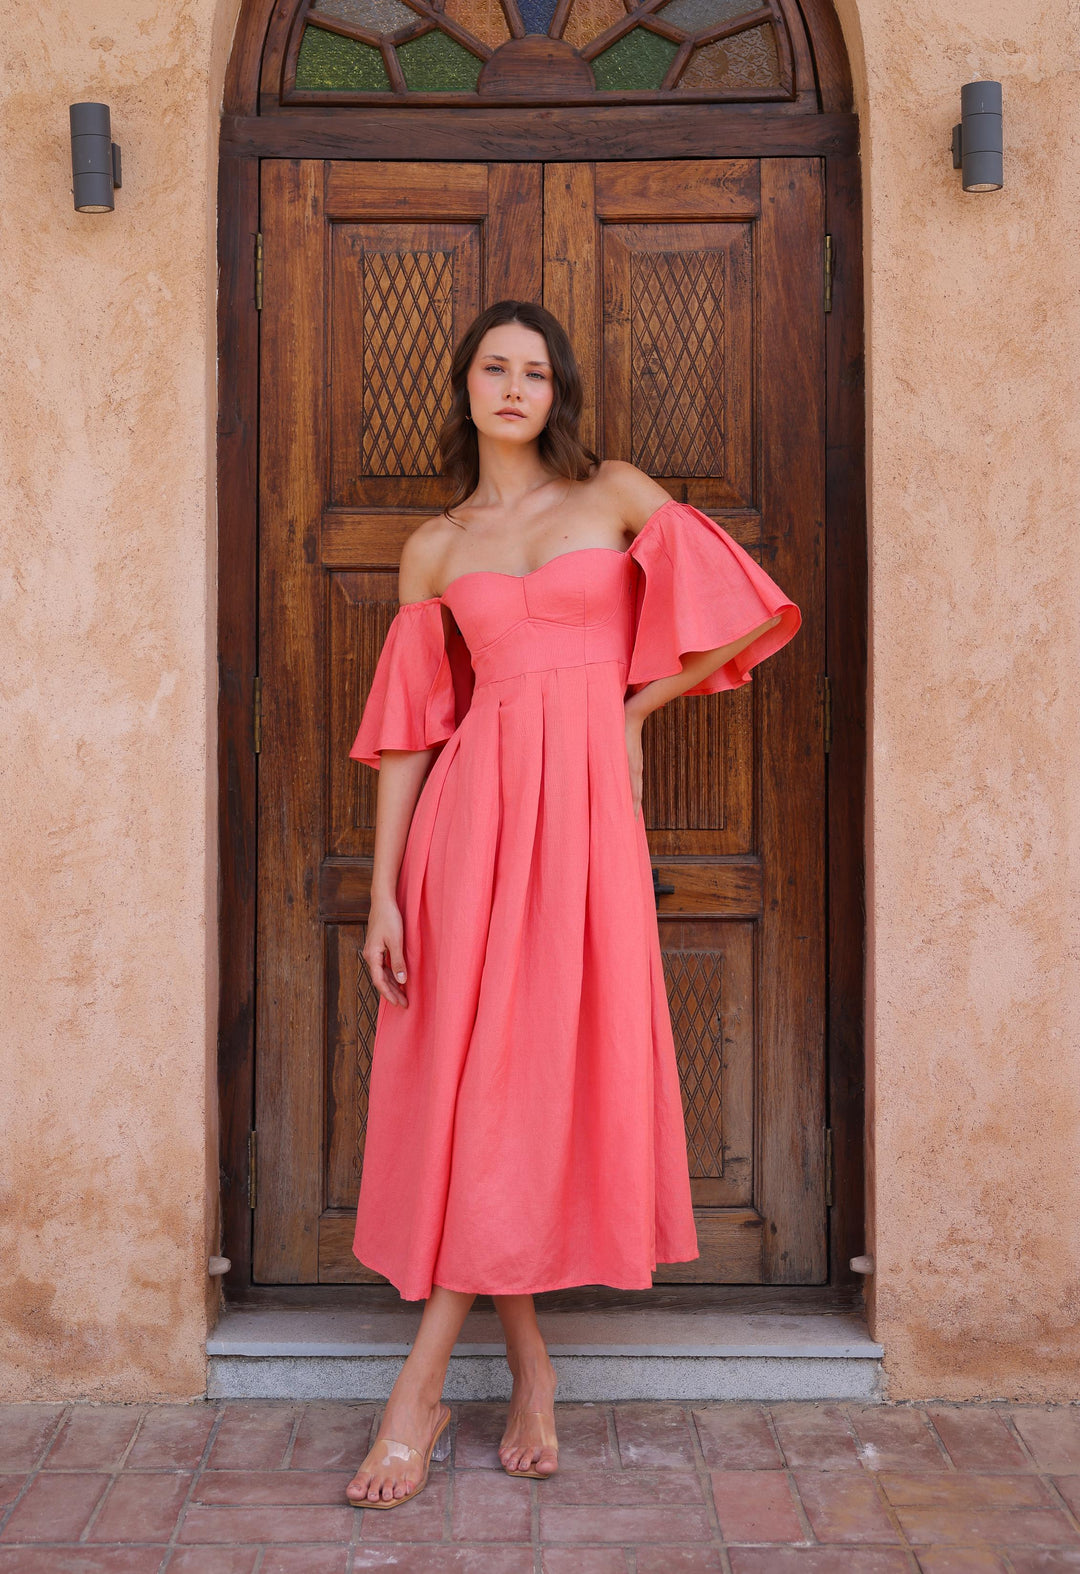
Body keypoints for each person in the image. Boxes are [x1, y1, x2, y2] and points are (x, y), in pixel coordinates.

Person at [344, 301, 801, 1508]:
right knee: (480, 1087)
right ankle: (505, 1369)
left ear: (558, 392)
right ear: (464, 387)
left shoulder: (613, 492)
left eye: (533, 370)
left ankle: (436, 1383)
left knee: (527, 1082)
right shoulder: (435, 546)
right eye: (493, 367)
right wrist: (387, 893)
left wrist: (635, 708)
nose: (512, 386)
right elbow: (406, 742)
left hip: (586, 822)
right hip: (471, 824)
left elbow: (746, 604)